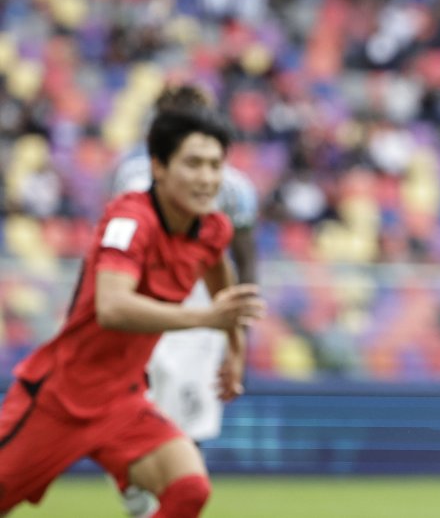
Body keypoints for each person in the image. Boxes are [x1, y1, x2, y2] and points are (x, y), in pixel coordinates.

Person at [0, 105, 266, 518]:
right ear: (158, 167)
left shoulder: (211, 229)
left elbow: (223, 286)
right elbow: (113, 307)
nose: (207, 178)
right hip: (59, 399)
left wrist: (235, 346)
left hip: (122, 402)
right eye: (193, 164)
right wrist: (206, 320)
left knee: (189, 490)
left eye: (216, 165)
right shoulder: (129, 220)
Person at [109, 85, 260, 518]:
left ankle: (165, 502)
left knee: (188, 426)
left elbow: (244, 258)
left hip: (201, 318)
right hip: (145, 311)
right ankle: (140, 497)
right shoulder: (132, 177)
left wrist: (238, 329)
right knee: (135, 415)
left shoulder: (233, 189)